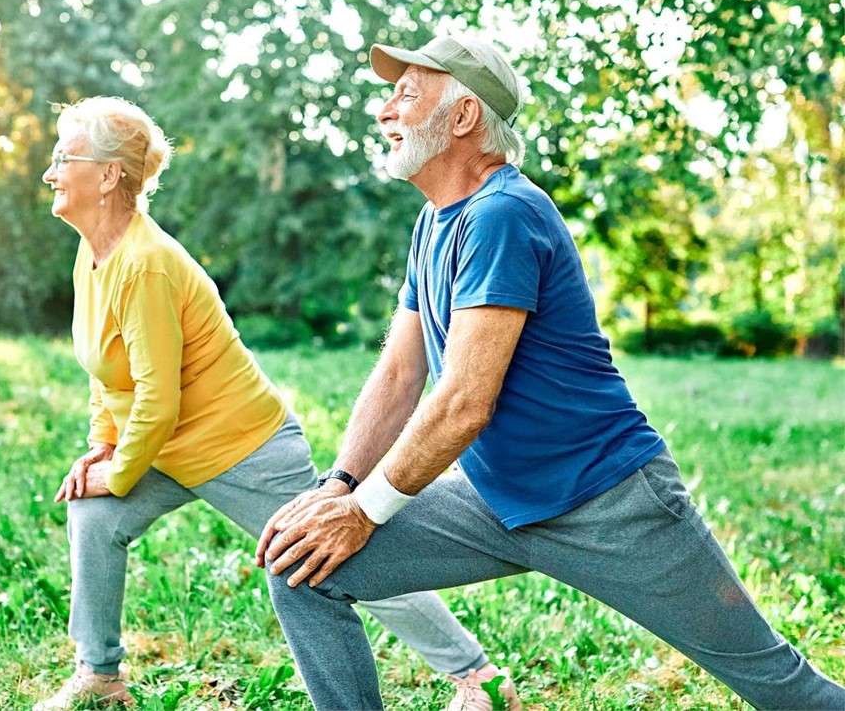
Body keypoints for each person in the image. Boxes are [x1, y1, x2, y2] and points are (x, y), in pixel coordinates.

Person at [256, 35, 845, 711]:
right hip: (493, 500)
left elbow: (463, 403)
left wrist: (366, 512)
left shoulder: (503, 213)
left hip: (610, 502)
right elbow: (399, 372)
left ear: (465, 117)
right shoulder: (433, 221)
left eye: (407, 94)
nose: (386, 110)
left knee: (784, 689)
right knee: (302, 567)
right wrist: (342, 486)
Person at [33, 95, 517, 710]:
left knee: (324, 558)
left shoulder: (147, 264)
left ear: (107, 176)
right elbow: (110, 372)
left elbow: (157, 399)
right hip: (164, 444)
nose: (50, 172)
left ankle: (480, 679)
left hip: (242, 448)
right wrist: (102, 447)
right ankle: (100, 678)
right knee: (93, 515)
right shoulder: (93, 252)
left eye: (62, 157)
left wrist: (118, 471)